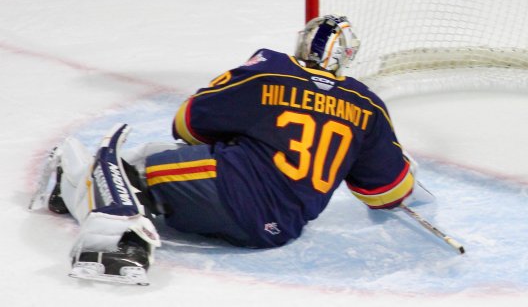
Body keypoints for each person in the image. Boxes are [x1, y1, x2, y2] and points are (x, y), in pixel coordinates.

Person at [28, 15, 435, 285]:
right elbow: (387, 193)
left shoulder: (271, 69)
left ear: (302, 43)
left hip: (232, 191)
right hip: (279, 231)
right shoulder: (367, 105)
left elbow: (187, 125)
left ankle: (112, 240)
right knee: (157, 166)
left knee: (130, 166)